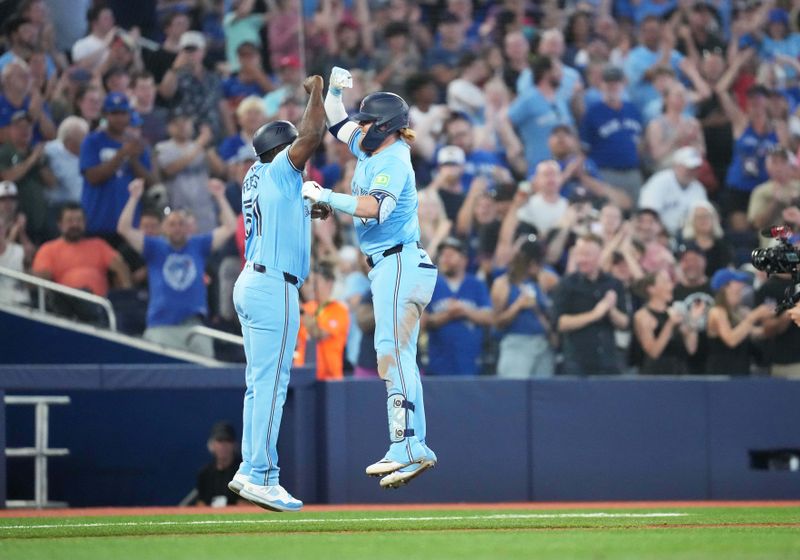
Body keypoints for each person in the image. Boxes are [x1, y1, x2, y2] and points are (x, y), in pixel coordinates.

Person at [302, 67, 438, 489]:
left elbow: (375, 209)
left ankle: (407, 445)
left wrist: (325, 196)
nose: (359, 128)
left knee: (390, 354)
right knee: (398, 356)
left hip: (398, 262)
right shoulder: (375, 149)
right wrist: (336, 88)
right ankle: (413, 445)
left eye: (367, 122)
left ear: (385, 127)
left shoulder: (394, 161)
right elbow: (337, 120)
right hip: (392, 265)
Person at [225, 75, 327, 512]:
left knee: (258, 384)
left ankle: (251, 468)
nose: (299, 158)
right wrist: (318, 93)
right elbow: (313, 133)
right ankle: (262, 475)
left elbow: (293, 199)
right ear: (282, 152)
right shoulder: (281, 168)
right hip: (273, 286)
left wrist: (311, 205)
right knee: (271, 383)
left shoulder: (256, 175)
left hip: (253, 280)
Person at [117, 177, 237, 357]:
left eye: (181, 224)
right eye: (172, 224)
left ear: (187, 227)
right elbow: (124, 229)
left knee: (208, 373)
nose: (177, 228)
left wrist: (220, 196)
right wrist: (134, 198)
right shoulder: (154, 247)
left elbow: (230, 227)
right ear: (163, 228)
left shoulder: (198, 244)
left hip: (194, 326)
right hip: (161, 326)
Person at [32, 202, 131, 321]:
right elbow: (41, 279)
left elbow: (121, 267)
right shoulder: (48, 249)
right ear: (60, 224)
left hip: (100, 306)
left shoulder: (98, 245)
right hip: (68, 309)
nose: (75, 224)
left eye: (79, 220)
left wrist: (126, 294)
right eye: (70, 221)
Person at [80, 92, 153, 243]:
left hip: (129, 225)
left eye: (123, 113)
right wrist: (122, 154)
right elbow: (93, 177)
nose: (119, 118)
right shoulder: (92, 141)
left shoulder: (137, 144)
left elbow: (150, 182)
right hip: (97, 222)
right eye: (114, 113)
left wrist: (133, 160)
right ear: (105, 115)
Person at [552, 234, 630, 375]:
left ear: (600, 255)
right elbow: (559, 323)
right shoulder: (566, 284)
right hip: (577, 364)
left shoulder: (613, 283)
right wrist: (595, 314)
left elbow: (625, 323)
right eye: (579, 254)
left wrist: (611, 310)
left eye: (587, 255)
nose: (582, 259)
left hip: (609, 361)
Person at [424, 236, 492, 376]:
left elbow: (489, 317)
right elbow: (423, 321)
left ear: (464, 260)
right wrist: (449, 314)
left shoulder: (476, 284)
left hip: (470, 361)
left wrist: (464, 310)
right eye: (442, 255)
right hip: (439, 362)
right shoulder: (430, 284)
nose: (445, 258)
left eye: (450, 255)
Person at [491, 238, 556, 378]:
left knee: (543, 394)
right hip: (516, 344)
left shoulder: (543, 280)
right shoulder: (502, 284)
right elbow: (496, 322)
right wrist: (517, 306)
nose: (539, 267)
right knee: (514, 392)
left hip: (542, 344)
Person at [706, 268, 773, 376]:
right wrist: (752, 317)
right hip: (722, 374)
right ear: (725, 287)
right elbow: (731, 340)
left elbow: (756, 332)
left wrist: (773, 322)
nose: (741, 286)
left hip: (741, 372)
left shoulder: (739, 312)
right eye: (737, 282)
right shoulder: (717, 312)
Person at [632, 270, 698, 376]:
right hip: (656, 375)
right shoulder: (643, 316)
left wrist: (693, 320)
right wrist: (670, 324)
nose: (671, 286)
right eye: (665, 282)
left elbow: (691, 349)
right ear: (651, 289)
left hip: (680, 372)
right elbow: (653, 352)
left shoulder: (675, 312)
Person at [638, 146, 709, 237]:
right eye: (688, 168)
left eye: (695, 168)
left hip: (688, 236)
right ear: (676, 166)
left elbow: (702, 216)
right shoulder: (659, 181)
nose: (692, 172)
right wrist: (664, 235)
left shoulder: (698, 188)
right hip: (659, 235)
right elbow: (648, 213)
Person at [300, 262, 350, 381]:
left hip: (330, 379)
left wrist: (301, 312)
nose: (312, 286)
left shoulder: (339, 310)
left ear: (329, 283)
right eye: (311, 282)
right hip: (303, 376)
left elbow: (318, 334)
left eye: (316, 282)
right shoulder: (307, 307)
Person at [195, 421, 243, 507]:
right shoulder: (205, 474)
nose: (223, 445)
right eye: (220, 440)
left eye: (228, 440)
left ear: (234, 445)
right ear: (212, 445)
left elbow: (245, 506)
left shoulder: (242, 472)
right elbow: (201, 504)